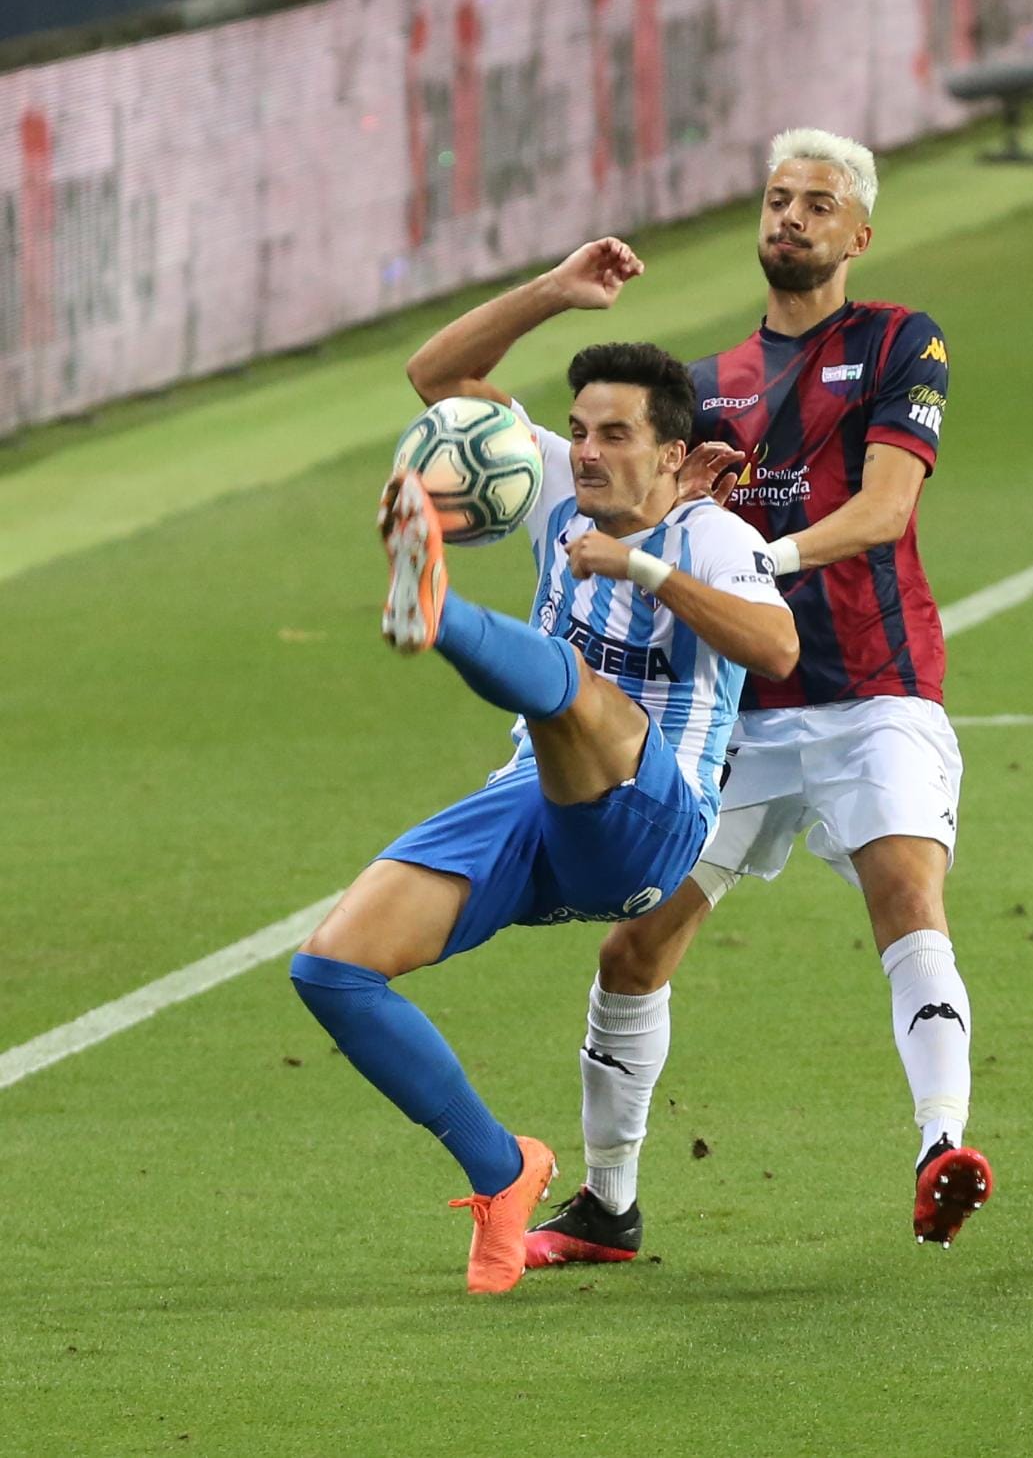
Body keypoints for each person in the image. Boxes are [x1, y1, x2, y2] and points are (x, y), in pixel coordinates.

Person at [412, 129, 988, 1266]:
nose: (792, 218)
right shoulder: (707, 391)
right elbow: (445, 388)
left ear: (856, 233)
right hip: (734, 722)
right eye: (777, 199)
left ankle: (941, 1146)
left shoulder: (894, 342)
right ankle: (610, 1207)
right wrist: (553, 296)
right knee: (634, 953)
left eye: (818, 204)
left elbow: (882, 512)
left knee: (906, 897)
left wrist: (740, 561)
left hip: (874, 686)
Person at [288, 329, 798, 1295]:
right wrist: (559, 289)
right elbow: (436, 380)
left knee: (568, 686)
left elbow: (775, 648)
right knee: (333, 969)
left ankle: (439, 615)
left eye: (615, 432)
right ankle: (502, 1169)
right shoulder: (559, 485)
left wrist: (639, 569)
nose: (589, 450)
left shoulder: (718, 539)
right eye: (577, 430)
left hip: (654, 821)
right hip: (532, 800)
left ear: (675, 456)